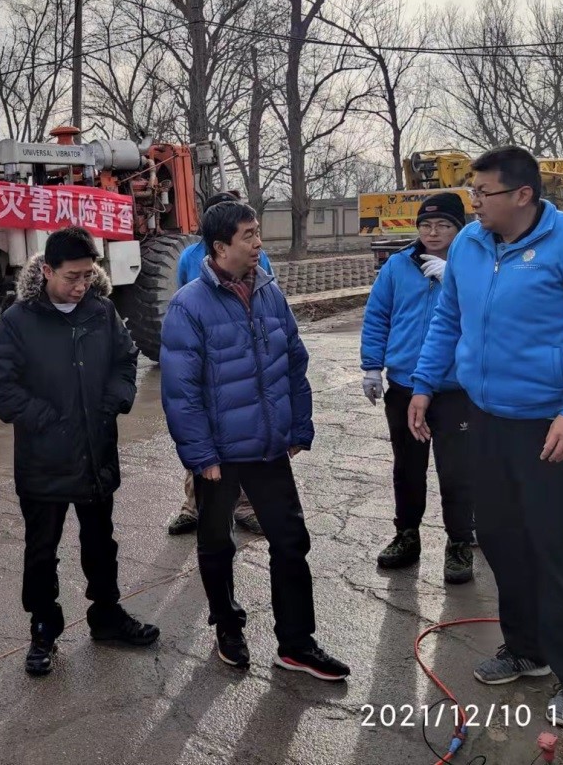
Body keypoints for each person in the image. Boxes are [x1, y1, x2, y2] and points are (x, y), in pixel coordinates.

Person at [409, 146, 563, 727]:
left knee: (558, 545)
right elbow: (448, 319)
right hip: (487, 417)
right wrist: (424, 384)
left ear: (523, 195)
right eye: (473, 191)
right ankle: (528, 649)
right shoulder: (470, 244)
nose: (474, 203)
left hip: (551, 424)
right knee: (502, 539)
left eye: (483, 193)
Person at [160, 201, 350, 680]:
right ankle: (227, 625)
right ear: (220, 247)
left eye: (257, 232)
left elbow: (294, 362)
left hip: (268, 448)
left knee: (290, 540)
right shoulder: (189, 305)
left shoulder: (270, 293)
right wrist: (200, 455)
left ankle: (296, 643)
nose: (258, 242)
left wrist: (299, 426)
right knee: (216, 543)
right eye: (248, 235)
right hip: (219, 454)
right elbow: (181, 392)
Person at [0, 226, 160, 676]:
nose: (81, 285)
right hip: (44, 459)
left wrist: (115, 399)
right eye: (72, 277)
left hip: (96, 452)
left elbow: (125, 361)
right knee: (42, 550)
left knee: (101, 541)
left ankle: (107, 615)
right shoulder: (19, 321)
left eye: (88, 275)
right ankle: (43, 629)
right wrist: (45, 418)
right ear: (47, 271)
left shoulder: (101, 311)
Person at [360, 192, 475, 584]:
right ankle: (406, 535)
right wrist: (372, 367)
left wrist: (456, 278)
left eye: (443, 225)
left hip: (455, 388)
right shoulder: (397, 266)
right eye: (426, 224)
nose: (433, 232)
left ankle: (459, 542)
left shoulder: (474, 266)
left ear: (459, 229)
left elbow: (492, 316)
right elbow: (378, 316)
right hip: (406, 385)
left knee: (457, 471)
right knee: (407, 468)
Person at [168, 190, 273, 537]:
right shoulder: (190, 257)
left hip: (241, 365)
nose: (255, 241)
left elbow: (266, 300)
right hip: (208, 367)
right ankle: (192, 507)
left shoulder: (257, 255)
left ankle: (246, 507)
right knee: (201, 443)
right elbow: (185, 298)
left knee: (244, 442)